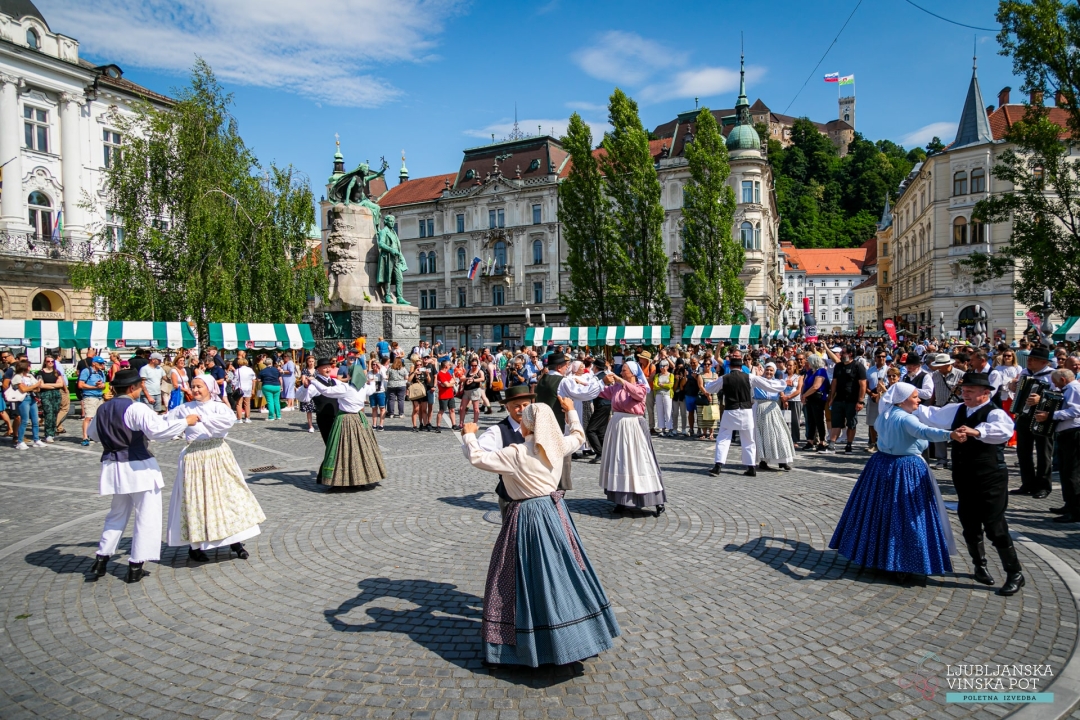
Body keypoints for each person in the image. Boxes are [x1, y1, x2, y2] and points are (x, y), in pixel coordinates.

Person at [462, 400, 620, 667]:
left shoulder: (516, 453)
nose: (520, 424)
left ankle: (535, 639)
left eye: (523, 420)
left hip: (526, 517)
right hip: (554, 513)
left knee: (524, 575)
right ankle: (572, 632)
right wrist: (570, 410)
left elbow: (477, 458)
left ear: (529, 424)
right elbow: (579, 436)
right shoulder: (557, 447)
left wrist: (468, 434)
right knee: (560, 571)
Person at [830, 382, 961, 581]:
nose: (919, 399)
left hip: (881, 465)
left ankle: (875, 555)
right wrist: (950, 434)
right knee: (905, 515)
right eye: (915, 396)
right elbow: (925, 432)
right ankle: (902, 561)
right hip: (905, 467)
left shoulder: (886, 415)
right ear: (902, 400)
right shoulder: (905, 419)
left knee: (878, 512)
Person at [917, 372, 1024, 596]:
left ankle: (1014, 573)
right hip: (964, 474)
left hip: (990, 475)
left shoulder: (994, 412)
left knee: (994, 525)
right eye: (964, 390)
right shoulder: (958, 409)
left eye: (970, 391)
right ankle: (979, 566)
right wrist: (902, 403)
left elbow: (1005, 431)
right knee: (969, 522)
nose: (964, 394)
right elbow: (931, 414)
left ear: (985, 393)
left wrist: (977, 431)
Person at [87, 369, 198, 583]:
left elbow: (92, 434)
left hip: (113, 466)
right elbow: (158, 432)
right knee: (147, 514)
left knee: (116, 514)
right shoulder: (136, 407)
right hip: (138, 466)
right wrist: (186, 422)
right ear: (131, 388)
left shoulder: (103, 408)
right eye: (140, 386)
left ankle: (101, 559)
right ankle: (136, 563)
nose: (141, 389)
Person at [166, 375, 266, 562]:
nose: (195, 390)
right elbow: (165, 423)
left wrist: (200, 418)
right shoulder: (184, 409)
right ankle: (195, 546)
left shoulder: (219, 407)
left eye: (199, 387)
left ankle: (235, 541)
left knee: (227, 497)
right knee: (197, 500)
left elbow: (225, 423)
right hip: (194, 457)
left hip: (218, 454)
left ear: (210, 388)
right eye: (193, 386)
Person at [300, 358, 386, 489]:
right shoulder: (363, 388)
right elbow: (372, 389)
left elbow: (326, 391)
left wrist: (313, 381)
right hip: (359, 419)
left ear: (350, 375)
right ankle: (361, 478)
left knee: (340, 449)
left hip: (345, 420)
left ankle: (340, 481)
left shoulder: (347, 388)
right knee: (359, 450)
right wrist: (372, 380)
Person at [597, 361, 666, 514]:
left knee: (641, 461)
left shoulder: (641, 387)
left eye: (624, 370)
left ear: (633, 372)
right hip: (618, 426)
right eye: (621, 370)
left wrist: (621, 381)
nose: (621, 372)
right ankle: (622, 499)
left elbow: (639, 394)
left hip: (634, 426)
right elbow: (599, 391)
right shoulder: (616, 387)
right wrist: (582, 381)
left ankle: (656, 500)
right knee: (620, 462)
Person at [706, 349, 789, 476]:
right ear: (741, 366)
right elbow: (768, 385)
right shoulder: (750, 377)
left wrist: (709, 383)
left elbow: (710, 388)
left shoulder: (725, 378)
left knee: (723, 438)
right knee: (749, 440)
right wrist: (783, 383)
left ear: (731, 366)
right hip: (746, 411)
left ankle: (718, 466)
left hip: (730, 411)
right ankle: (751, 467)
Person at [474, 385, 535, 519]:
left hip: (538, 497)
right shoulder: (497, 431)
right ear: (507, 407)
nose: (522, 410)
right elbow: (477, 453)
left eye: (525, 405)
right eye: (516, 406)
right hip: (511, 496)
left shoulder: (539, 426)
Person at [1009, 346, 1055, 499]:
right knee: (1023, 452)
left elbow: (1058, 397)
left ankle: (1043, 486)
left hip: (1042, 416)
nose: (1029, 361)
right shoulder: (1024, 373)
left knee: (1043, 453)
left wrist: (1040, 399)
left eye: (1033, 359)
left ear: (1043, 362)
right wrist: (1012, 386)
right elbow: (1017, 390)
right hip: (1024, 416)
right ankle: (1027, 483)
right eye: (1029, 358)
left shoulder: (1051, 375)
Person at [1035, 369, 1080, 522]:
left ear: (1062, 379)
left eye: (1055, 381)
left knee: (1072, 472)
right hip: (1067, 433)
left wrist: (1051, 415)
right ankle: (1069, 504)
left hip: (1074, 433)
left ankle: (1075, 510)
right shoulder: (1068, 389)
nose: (1054, 384)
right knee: (1066, 471)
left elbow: (1076, 411)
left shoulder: (1074, 388)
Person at [825, 346, 867, 454]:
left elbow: (863, 384)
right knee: (836, 422)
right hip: (838, 399)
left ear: (850, 354)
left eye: (843, 353)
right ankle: (832, 444)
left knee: (851, 423)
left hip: (852, 400)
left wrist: (860, 401)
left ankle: (849, 445)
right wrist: (831, 397)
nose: (841, 355)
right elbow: (834, 382)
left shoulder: (858, 366)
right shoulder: (838, 366)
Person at [753, 363, 795, 471]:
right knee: (763, 435)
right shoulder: (757, 381)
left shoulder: (777, 382)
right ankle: (763, 460)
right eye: (767, 370)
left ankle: (782, 460)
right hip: (761, 408)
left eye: (771, 370)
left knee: (780, 433)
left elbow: (782, 391)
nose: (769, 372)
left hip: (773, 408)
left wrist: (784, 398)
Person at [799, 354, 830, 452]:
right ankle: (810, 441)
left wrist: (804, 395)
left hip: (818, 398)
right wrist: (803, 395)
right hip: (809, 398)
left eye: (808, 361)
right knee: (810, 420)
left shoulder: (821, 371)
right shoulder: (810, 371)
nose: (807, 362)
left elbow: (816, 386)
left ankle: (822, 441)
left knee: (819, 420)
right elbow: (805, 384)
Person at [10, 359, 43, 449]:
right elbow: (23, 389)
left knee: (35, 420)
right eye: (29, 366)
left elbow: (38, 389)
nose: (30, 367)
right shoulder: (17, 377)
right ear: (25, 367)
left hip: (32, 398)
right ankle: (20, 441)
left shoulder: (30, 376)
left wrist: (33, 387)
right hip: (23, 399)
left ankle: (36, 439)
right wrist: (34, 386)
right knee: (24, 420)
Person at [78, 355, 108, 446]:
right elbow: (81, 385)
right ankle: (85, 437)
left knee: (99, 418)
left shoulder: (101, 373)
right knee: (89, 417)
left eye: (103, 363)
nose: (102, 365)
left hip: (99, 397)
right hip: (90, 397)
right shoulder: (86, 371)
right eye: (100, 363)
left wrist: (102, 386)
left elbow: (103, 385)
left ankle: (95, 435)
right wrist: (94, 387)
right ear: (94, 363)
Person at [36, 355, 65, 444]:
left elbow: (61, 384)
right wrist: (53, 385)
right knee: (48, 413)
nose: (50, 363)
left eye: (52, 361)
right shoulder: (40, 373)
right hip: (45, 394)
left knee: (55, 413)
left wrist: (49, 385)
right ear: (45, 362)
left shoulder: (57, 372)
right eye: (48, 361)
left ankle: (52, 432)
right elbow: (41, 385)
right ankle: (48, 434)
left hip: (56, 394)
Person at [865, 349, 889, 452]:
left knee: (885, 422)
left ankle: (884, 443)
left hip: (885, 399)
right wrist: (871, 394)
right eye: (879, 356)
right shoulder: (870, 370)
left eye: (883, 356)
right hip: (872, 398)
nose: (881, 358)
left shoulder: (889, 370)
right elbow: (864, 384)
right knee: (872, 422)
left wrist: (881, 394)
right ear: (875, 358)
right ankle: (873, 443)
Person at [458, 356, 486, 428]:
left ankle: (475, 423)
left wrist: (473, 380)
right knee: (462, 408)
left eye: (475, 365)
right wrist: (466, 379)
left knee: (476, 408)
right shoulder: (468, 371)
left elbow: (482, 378)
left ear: (477, 365)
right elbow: (462, 378)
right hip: (466, 391)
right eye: (472, 365)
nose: (474, 367)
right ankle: (461, 423)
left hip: (475, 390)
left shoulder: (479, 371)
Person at [652, 359, 674, 436]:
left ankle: (670, 429)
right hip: (658, 395)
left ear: (667, 367)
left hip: (667, 395)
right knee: (659, 412)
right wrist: (665, 385)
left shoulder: (671, 375)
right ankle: (662, 429)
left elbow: (670, 385)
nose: (661, 368)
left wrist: (661, 385)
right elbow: (655, 386)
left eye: (663, 366)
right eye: (660, 366)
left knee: (668, 412)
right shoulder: (657, 375)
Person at [435, 359, 457, 432]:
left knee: (452, 409)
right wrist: (449, 384)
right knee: (442, 410)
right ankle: (438, 426)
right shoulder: (440, 374)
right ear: (446, 366)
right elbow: (447, 384)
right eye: (449, 365)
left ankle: (454, 424)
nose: (450, 366)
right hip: (443, 395)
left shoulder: (447, 373)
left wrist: (449, 384)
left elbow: (453, 381)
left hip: (450, 394)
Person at [234, 358, 256, 423]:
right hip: (248, 388)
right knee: (247, 404)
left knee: (239, 404)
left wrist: (233, 384)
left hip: (240, 388)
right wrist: (253, 389)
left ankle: (239, 418)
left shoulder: (237, 370)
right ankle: (247, 418)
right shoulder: (250, 370)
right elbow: (253, 380)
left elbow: (235, 380)